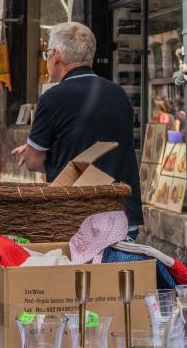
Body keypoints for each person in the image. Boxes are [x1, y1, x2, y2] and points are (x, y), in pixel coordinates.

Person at [12, 22, 143, 233]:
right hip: (122, 215)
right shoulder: (118, 94)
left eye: (46, 54)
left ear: (56, 55)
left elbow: (33, 162)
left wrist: (37, 153)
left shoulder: (52, 98)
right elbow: (92, 137)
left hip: (79, 217)